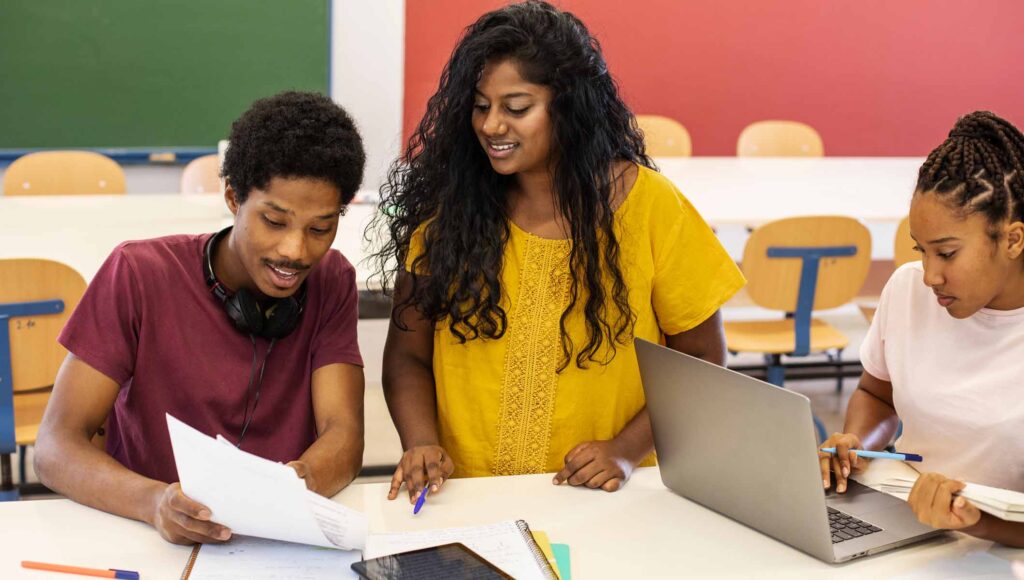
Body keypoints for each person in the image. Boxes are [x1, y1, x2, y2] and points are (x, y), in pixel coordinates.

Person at [372, 1, 745, 502]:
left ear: (569, 108)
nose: (491, 125)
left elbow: (703, 361)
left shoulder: (652, 206)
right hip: (467, 496)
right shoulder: (450, 211)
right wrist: (420, 442)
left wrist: (625, 450)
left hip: (604, 496)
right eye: (481, 106)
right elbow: (406, 358)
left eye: (517, 107)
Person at [34, 91, 367, 545]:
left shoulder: (332, 281)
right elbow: (55, 448)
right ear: (233, 197)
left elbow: (343, 434)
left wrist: (292, 489)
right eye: (274, 221)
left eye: (320, 229)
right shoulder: (138, 274)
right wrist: (153, 503)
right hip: (150, 538)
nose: (296, 251)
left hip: (278, 542)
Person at [821, 110, 1024, 547]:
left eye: (947, 254)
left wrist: (973, 522)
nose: (930, 275)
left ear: (1012, 240)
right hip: (903, 529)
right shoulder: (908, 289)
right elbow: (877, 394)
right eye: (921, 251)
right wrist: (856, 443)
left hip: (998, 554)